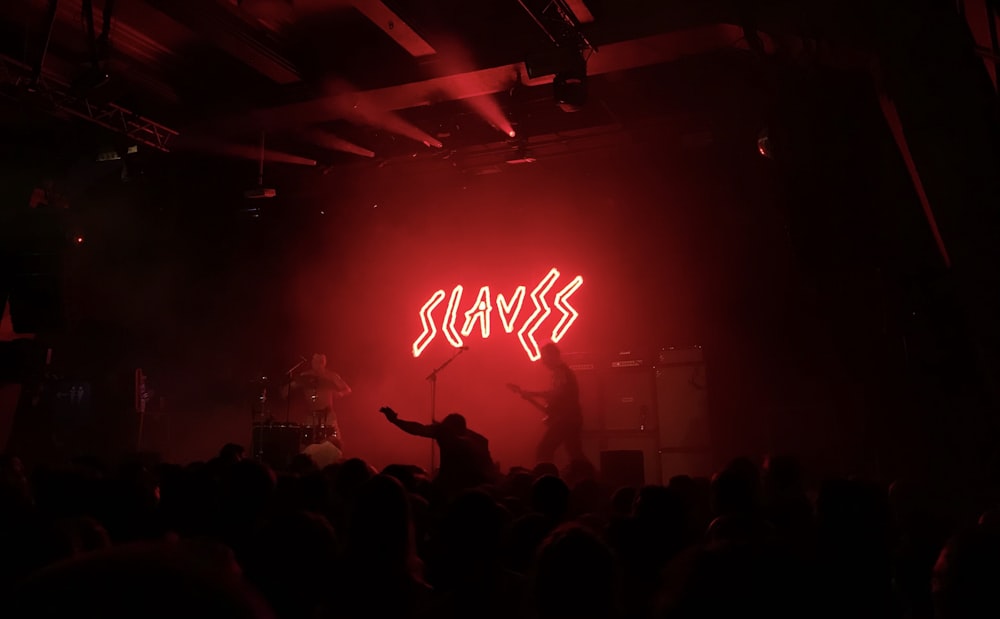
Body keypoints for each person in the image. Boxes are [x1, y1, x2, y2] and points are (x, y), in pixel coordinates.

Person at [378, 406, 496, 494]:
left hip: (451, 484)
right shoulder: (479, 440)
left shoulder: (445, 433)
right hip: (470, 484)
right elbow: (418, 429)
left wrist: (395, 421)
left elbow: (418, 429)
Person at [511, 342, 588, 465]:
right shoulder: (561, 372)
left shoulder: (561, 372)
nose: (543, 362)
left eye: (544, 357)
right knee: (575, 453)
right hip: (570, 418)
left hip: (565, 419)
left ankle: (546, 478)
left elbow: (557, 393)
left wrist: (532, 394)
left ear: (553, 356)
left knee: (544, 450)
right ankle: (588, 478)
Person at [290, 353, 351, 445]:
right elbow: (292, 385)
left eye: (319, 362)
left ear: (324, 363)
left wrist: (340, 393)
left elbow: (347, 389)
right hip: (311, 415)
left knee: (335, 441)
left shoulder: (331, 376)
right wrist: (286, 388)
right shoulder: (306, 376)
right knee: (307, 441)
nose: (317, 364)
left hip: (328, 415)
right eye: (314, 362)